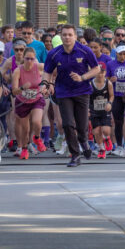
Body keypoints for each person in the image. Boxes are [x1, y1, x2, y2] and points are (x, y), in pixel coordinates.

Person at [43, 24, 100, 167]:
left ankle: (84, 143)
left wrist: (82, 77)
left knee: (82, 127)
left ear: (75, 36)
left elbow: (96, 68)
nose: (67, 37)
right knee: (67, 124)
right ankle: (75, 155)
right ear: (60, 36)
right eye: (64, 35)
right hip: (63, 92)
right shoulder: (54, 53)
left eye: (70, 35)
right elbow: (48, 71)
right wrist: (46, 84)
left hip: (82, 91)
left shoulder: (84, 50)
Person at [11, 47, 46, 159]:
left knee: (36, 121)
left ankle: (37, 137)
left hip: (37, 98)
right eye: (27, 59)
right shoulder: (18, 71)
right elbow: (14, 91)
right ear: (23, 58)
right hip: (22, 101)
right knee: (25, 129)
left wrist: (46, 85)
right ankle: (25, 149)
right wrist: (22, 87)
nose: (30, 61)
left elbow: (52, 72)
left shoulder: (39, 67)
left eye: (32, 59)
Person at [89, 62, 114, 159]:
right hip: (94, 110)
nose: (100, 75)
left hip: (105, 109)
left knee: (105, 130)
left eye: (102, 72)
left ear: (105, 73)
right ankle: (101, 148)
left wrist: (110, 103)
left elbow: (111, 96)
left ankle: (106, 138)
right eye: (98, 72)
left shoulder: (108, 83)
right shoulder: (91, 84)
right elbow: (87, 98)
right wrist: (87, 109)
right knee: (96, 131)